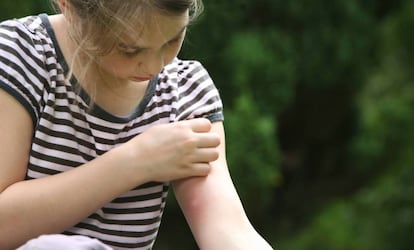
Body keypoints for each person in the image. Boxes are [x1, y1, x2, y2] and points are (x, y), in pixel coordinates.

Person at [0, 0, 273, 249]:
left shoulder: (185, 92)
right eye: (129, 49)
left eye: (172, 39)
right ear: (68, 6)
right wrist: (135, 162)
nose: (155, 65)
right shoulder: (21, 56)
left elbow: (228, 231)